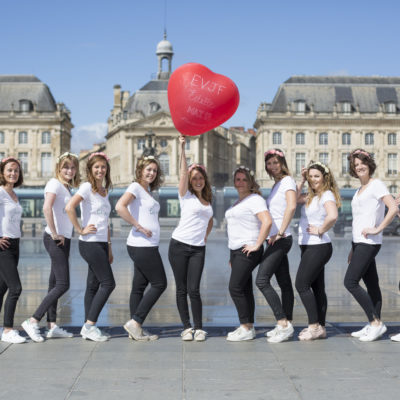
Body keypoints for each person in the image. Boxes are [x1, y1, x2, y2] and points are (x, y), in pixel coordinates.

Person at [22, 153, 80, 342]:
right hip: (56, 239)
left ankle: (52, 325)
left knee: (54, 283)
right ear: (58, 168)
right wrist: (55, 233)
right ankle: (33, 320)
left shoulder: (66, 187)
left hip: (64, 238)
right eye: (66, 167)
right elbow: (47, 208)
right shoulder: (54, 184)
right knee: (63, 284)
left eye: (72, 167)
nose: (69, 171)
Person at [344, 149, 397, 342]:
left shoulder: (376, 185)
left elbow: (392, 208)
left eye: (362, 163)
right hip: (359, 242)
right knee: (372, 284)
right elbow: (358, 219)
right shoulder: (359, 190)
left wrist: (378, 228)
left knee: (350, 282)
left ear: (369, 164)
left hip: (369, 242)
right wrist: (352, 248)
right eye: (356, 165)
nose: (359, 167)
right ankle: (373, 323)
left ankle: (376, 323)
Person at [66, 152, 115, 342]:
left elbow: (106, 221)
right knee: (109, 283)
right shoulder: (86, 187)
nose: (100, 170)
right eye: (96, 167)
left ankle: (88, 326)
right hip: (89, 243)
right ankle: (89, 325)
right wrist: (80, 229)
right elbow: (70, 207)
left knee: (93, 286)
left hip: (102, 243)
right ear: (90, 170)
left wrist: (109, 248)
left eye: (103, 167)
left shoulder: (105, 191)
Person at [116, 155, 166, 341]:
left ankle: (135, 329)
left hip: (146, 245)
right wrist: (138, 226)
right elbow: (120, 206)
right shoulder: (135, 187)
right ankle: (136, 321)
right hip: (141, 244)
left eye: (154, 170)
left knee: (139, 286)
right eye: (148, 170)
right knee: (160, 283)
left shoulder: (147, 191)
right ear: (140, 170)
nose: (151, 173)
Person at [168, 136, 213, 342]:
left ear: (204, 180)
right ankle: (186, 327)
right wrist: (182, 147)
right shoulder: (185, 196)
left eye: (200, 178)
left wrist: (205, 235)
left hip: (198, 248)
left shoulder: (207, 199)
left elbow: (210, 219)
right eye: (194, 178)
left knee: (194, 289)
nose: (197, 181)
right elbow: (182, 173)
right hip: (178, 245)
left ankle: (199, 327)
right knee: (182, 288)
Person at [225, 166, 272, 342]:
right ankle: (248, 326)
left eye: (244, 179)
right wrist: (231, 255)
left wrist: (258, 244)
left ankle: (245, 326)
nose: (241, 183)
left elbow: (267, 222)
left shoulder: (255, 199)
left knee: (235, 287)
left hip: (248, 249)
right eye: (238, 179)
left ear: (250, 182)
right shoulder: (238, 202)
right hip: (236, 250)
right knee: (244, 288)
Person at [295, 161, 340, 340]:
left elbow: (333, 215)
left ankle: (313, 326)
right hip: (309, 245)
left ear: (324, 178)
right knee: (317, 287)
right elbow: (291, 199)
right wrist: (301, 179)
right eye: (311, 176)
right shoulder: (311, 196)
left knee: (301, 284)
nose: (313, 180)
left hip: (318, 245)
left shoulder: (326, 195)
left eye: (316, 176)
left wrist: (321, 229)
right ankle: (321, 327)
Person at [256, 149, 296, 343]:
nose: (272, 166)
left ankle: (283, 323)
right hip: (275, 237)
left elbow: (291, 206)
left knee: (262, 280)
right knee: (284, 283)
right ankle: (287, 321)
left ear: (282, 162)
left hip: (281, 238)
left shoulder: (287, 181)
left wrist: (280, 231)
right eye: (269, 163)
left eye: (275, 162)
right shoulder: (278, 184)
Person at [0, 157, 25, 343]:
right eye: (9, 170)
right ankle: (8, 330)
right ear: (2, 173)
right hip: (4, 246)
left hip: (15, 244)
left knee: (2, 288)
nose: (13, 173)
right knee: (16, 288)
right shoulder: (0, 192)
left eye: (16, 170)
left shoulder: (13, 194)